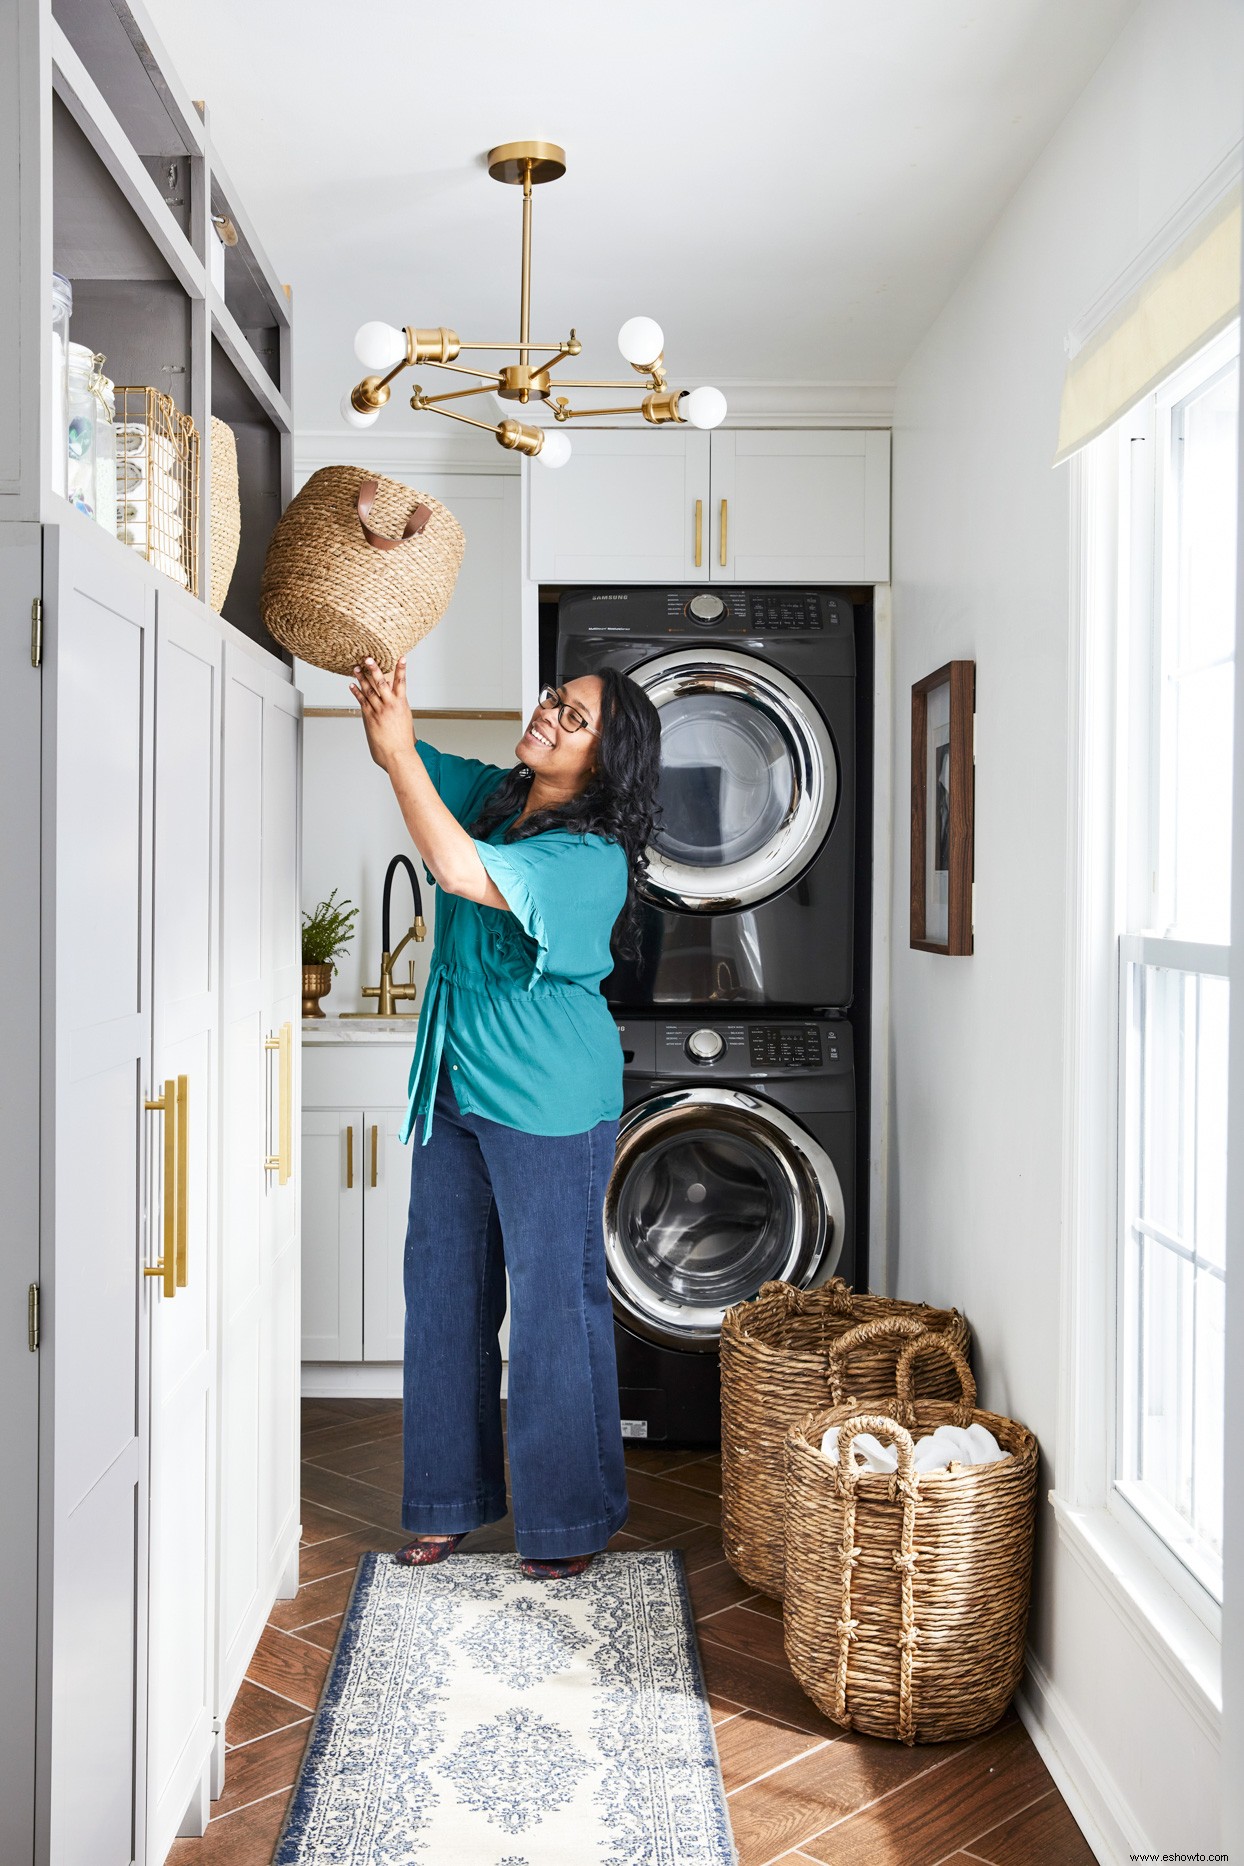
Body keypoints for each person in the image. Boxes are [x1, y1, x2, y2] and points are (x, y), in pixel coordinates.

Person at [349, 653, 661, 1579]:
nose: (550, 718)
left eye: (576, 720)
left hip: (549, 1099)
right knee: (444, 1290)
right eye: (555, 701)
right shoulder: (496, 795)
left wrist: (401, 751)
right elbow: (392, 751)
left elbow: (453, 868)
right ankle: (448, 1501)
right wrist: (383, 695)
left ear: (606, 764)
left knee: (552, 1310)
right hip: (455, 1079)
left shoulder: (589, 858)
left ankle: (571, 1519)